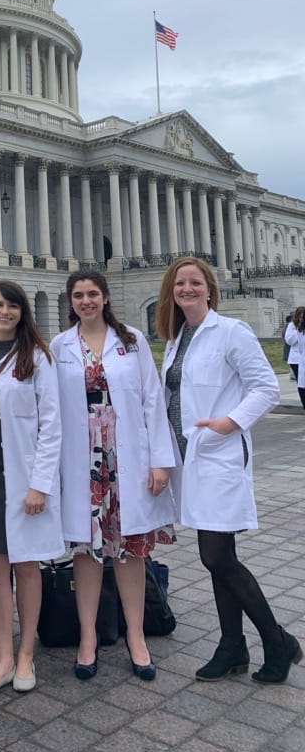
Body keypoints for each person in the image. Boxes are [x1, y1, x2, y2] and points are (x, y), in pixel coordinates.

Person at [157, 256, 303, 684]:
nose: (187, 288)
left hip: (218, 452)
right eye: (180, 283)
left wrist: (229, 422)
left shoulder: (231, 331)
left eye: (195, 282)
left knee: (216, 556)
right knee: (220, 559)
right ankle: (232, 647)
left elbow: (266, 387)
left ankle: (278, 642)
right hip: (190, 457)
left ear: (209, 288)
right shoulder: (176, 335)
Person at [51, 271, 176, 682]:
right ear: (71, 302)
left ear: (105, 298)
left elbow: (152, 400)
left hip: (126, 458)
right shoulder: (60, 346)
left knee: (129, 552)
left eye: (92, 294)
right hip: (83, 460)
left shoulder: (132, 340)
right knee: (86, 553)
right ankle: (87, 637)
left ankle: (136, 636)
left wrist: (159, 460)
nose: (86, 301)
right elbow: (50, 412)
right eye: (78, 295)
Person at [0, 281, 63, 697]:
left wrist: (39, 484)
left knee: (26, 564)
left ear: (23, 311)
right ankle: (3, 656)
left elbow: (52, 426)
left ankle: (26, 653)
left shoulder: (38, 358)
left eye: (11, 306)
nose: (4, 311)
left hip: (24, 472)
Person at [284, 307, 305, 407]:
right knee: (301, 383)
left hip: (302, 358)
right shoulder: (292, 326)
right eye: (300, 316)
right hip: (296, 359)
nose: (301, 318)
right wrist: (297, 331)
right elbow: (290, 341)